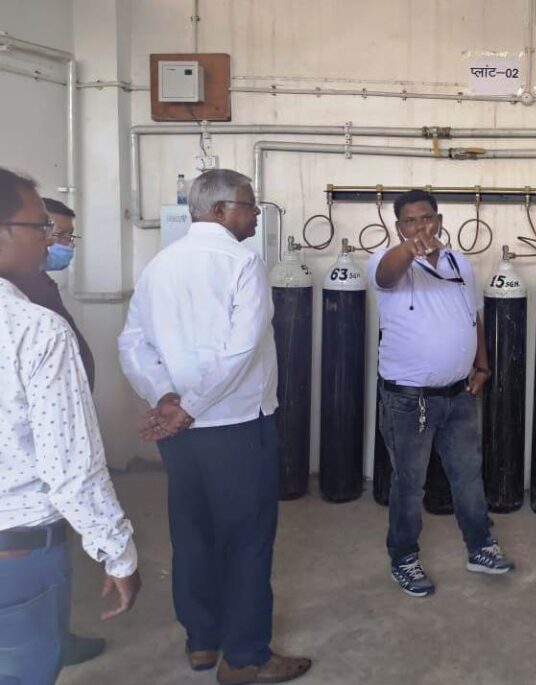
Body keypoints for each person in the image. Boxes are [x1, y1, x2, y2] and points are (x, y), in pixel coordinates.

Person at [118, 169, 311, 684]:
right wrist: (189, 406)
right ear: (221, 210)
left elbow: (132, 343)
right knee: (247, 540)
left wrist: (165, 397)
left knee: (193, 533)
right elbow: (240, 349)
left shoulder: (160, 264)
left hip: (180, 434)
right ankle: (246, 657)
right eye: (250, 204)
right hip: (236, 428)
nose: (256, 213)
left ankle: (202, 642)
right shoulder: (242, 263)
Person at [0, 167, 141, 685]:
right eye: (40, 226)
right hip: (15, 553)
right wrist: (118, 553)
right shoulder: (32, 328)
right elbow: (71, 468)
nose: (50, 240)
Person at [371, 188, 514, 598]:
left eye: (426, 218)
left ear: (440, 220)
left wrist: (482, 366)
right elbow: (385, 275)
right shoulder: (386, 261)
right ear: (399, 227)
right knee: (409, 484)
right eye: (410, 221)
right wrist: (408, 249)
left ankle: (480, 547)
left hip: (459, 394)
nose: (420, 227)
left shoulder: (459, 262)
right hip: (408, 399)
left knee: (467, 476)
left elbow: (473, 317)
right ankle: (403, 558)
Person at [5, 197, 95, 391]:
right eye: (59, 234)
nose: (68, 244)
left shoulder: (40, 281)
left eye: (70, 236)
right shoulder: (14, 291)